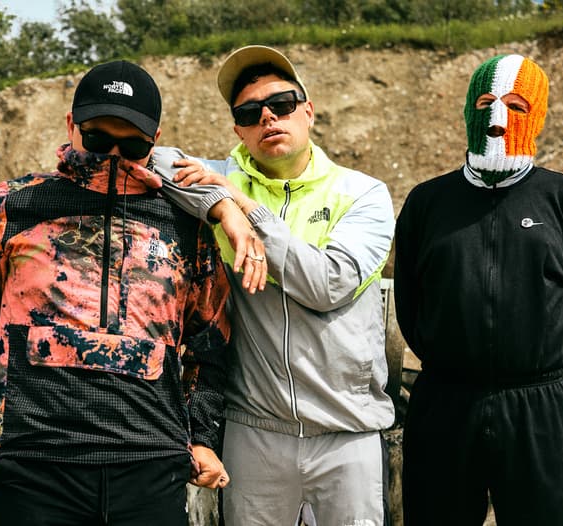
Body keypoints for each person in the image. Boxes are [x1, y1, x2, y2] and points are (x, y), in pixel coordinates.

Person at [0, 60, 255, 526]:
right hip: (35, 458)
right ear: (71, 125)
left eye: (132, 145)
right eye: (98, 139)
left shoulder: (183, 224)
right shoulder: (14, 205)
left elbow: (212, 340)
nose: (113, 155)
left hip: (152, 460)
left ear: (155, 140)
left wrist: (202, 437)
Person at [164, 45, 396, 526]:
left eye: (281, 104)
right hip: (255, 432)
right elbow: (154, 158)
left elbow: (328, 284)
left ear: (308, 112)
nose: (267, 117)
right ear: (238, 131)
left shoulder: (363, 193)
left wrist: (248, 210)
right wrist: (223, 207)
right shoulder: (220, 178)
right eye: (249, 113)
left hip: (346, 432)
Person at [394, 54, 563, 526]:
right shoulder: (427, 202)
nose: (497, 117)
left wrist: (542, 372)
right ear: (468, 110)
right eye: (485, 102)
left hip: (537, 406)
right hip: (446, 404)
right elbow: (410, 304)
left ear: (538, 115)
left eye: (515, 105)